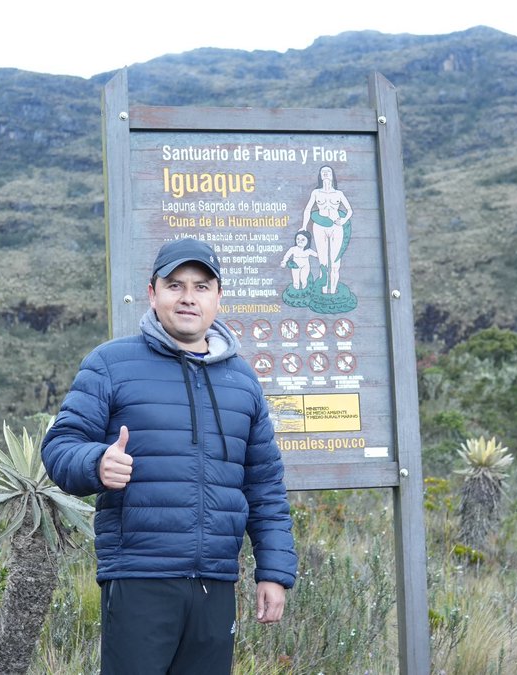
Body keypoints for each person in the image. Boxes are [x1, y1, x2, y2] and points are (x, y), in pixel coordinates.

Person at [42, 237, 298, 674]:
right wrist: (97, 463)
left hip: (215, 583)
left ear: (218, 297)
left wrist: (273, 571)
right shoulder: (110, 364)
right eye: (175, 285)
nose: (188, 297)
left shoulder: (242, 381)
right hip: (139, 577)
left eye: (201, 287)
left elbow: (265, 487)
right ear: (152, 293)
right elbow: (60, 445)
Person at [300, 165, 353, 295]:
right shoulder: (316, 193)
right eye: (323, 171)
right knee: (323, 261)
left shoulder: (339, 194)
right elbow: (308, 209)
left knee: (335, 262)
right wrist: (304, 226)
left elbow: (349, 210)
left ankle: (333, 292)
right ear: (320, 175)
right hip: (320, 225)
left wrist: (344, 220)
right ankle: (324, 292)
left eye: (328, 171)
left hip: (336, 226)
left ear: (332, 175)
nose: (325, 173)